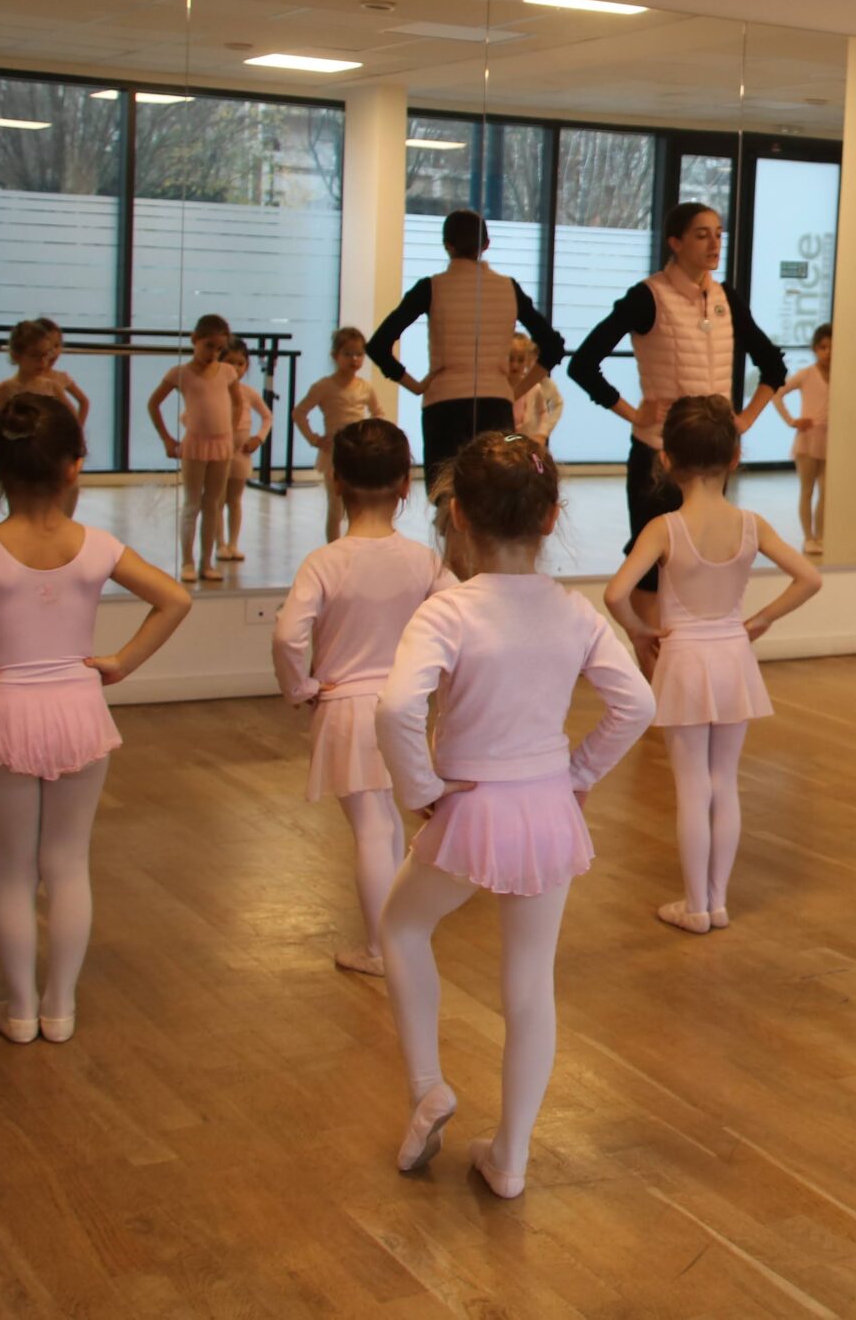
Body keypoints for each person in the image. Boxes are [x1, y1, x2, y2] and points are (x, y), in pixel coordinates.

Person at [375, 431, 656, 1200]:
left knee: (401, 928)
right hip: (546, 807)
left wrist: (422, 790)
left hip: (468, 807)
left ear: (457, 515)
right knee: (530, 980)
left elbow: (398, 704)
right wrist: (580, 771)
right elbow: (638, 702)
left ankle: (429, 1083)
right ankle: (512, 1159)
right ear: (550, 516)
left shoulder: (448, 611)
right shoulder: (573, 611)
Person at [0, 394, 192, 1044]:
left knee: (13, 868)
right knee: (67, 863)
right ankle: (61, 1010)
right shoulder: (98, 546)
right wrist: (120, 662)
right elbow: (175, 598)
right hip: (79, 708)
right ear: (74, 467)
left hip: (6, 711)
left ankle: (21, 1010)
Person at [605, 397, 821, 935]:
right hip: (732, 654)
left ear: (667, 459)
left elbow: (615, 594)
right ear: (735, 457)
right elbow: (810, 579)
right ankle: (717, 902)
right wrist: (761, 620)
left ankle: (695, 905)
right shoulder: (750, 524)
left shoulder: (665, 527)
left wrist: (638, 629)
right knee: (724, 780)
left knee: (691, 787)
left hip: (682, 657)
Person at [271, 418, 452, 977]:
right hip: (403, 707)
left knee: (375, 828)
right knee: (392, 827)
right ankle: (396, 939)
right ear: (405, 485)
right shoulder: (422, 560)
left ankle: (382, 949)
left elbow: (286, 635)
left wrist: (299, 687)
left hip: (346, 708)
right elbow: (457, 619)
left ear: (336, 483)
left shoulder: (326, 561)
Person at [567, 202, 788, 651]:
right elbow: (584, 363)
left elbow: (773, 366)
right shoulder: (647, 296)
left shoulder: (727, 298)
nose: (714, 243)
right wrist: (633, 413)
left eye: (719, 234)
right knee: (651, 568)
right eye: (702, 234)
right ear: (675, 242)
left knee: (699, 560)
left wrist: (743, 420)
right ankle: (655, 682)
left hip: (710, 455)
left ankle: (689, 657)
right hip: (657, 453)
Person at [368, 209, 564, 490]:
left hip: (443, 404)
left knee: (446, 493)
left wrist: (415, 386)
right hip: (495, 405)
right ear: (486, 245)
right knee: (494, 492)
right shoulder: (508, 288)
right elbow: (553, 347)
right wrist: (514, 391)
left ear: (447, 244)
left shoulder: (431, 288)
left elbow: (378, 346)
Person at [146, 314, 240, 584]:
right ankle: (187, 561)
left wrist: (231, 433)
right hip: (195, 444)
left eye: (219, 348)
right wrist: (167, 438)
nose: (214, 353)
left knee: (213, 504)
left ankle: (206, 562)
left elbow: (238, 403)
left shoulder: (227, 372)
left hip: (222, 445)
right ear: (195, 340)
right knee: (192, 503)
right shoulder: (181, 374)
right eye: (209, 346)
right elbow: (153, 403)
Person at [295, 326, 379, 543]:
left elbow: (378, 413)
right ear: (335, 356)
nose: (354, 359)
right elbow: (299, 412)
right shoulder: (324, 386)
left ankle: (354, 546)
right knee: (335, 507)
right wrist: (314, 439)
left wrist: (373, 436)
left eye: (359, 354)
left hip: (359, 454)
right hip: (334, 453)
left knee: (358, 505)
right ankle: (334, 548)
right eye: (348, 354)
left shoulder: (366, 388)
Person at [0, 317, 92, 442]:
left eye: (45, 355)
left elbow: (73, 419)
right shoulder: (6, 388)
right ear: (16, 356)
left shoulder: (52, 387)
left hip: (46, 452)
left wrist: (67, 439)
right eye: (34, 355)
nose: (42, 362)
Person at [771, 322, 833, 556]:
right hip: (808, 439)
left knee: (827, 491)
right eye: (824, 347)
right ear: (815, 349)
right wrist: (792, 420)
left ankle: (822, 536)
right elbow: (777, 394)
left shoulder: (843, 376)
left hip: (831, 440)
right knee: (807, 490)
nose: (829, 352)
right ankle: (809, 537)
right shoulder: (807, 374)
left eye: (833, 348)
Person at [216, 339, 275, 564]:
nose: (236, 368)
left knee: (235, 500)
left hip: (241, 453)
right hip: (219, 451)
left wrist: (258, 438)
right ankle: (219, 544)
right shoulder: (215, 390)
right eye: (230, 363)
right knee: (217, 501)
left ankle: (233, 543)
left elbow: (267, 416)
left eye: (240, 363)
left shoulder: (248, 392)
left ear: (247, 366)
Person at [510, 333, 564, 446]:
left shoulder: (534, 386)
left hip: (527, 440)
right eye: (510, 359)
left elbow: (545, 411)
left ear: (528, 360)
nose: (515, 365)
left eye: (520, 360)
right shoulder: (496, 386)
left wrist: (542, 433)